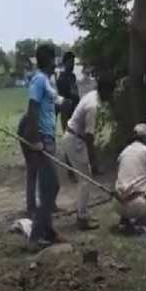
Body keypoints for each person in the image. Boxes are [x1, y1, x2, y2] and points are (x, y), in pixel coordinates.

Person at [23, 44, 63, 250]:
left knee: (48, 186)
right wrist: (35, 139)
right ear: (47, 59)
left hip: (49, 137)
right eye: (54, 58)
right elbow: (32, 110)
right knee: (52, 186)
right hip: (42, 140)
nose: (56, 62)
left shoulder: (46, 80)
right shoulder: (39, 80)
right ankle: (36, 236)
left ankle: (47, 231)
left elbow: (48, 105)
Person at [61, 80, 114, 230]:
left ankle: (82, 213)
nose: (111, 97)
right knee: (85, 180)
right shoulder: (94, 107)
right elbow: (90, 139)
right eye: (111, 94)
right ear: (105, 92)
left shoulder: (92, 95)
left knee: (84, 179)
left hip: (74, 137)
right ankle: (82, 218)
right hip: (75, 140)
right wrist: (94, 161)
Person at [56, 51, 79, 131]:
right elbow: (61, 98)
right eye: (70, 62)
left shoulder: (73, 76)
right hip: (67, 111)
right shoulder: (61, 78)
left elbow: (75, 91)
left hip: (75, 109)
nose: (72, 65)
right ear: (65, 63)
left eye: (73, 62)